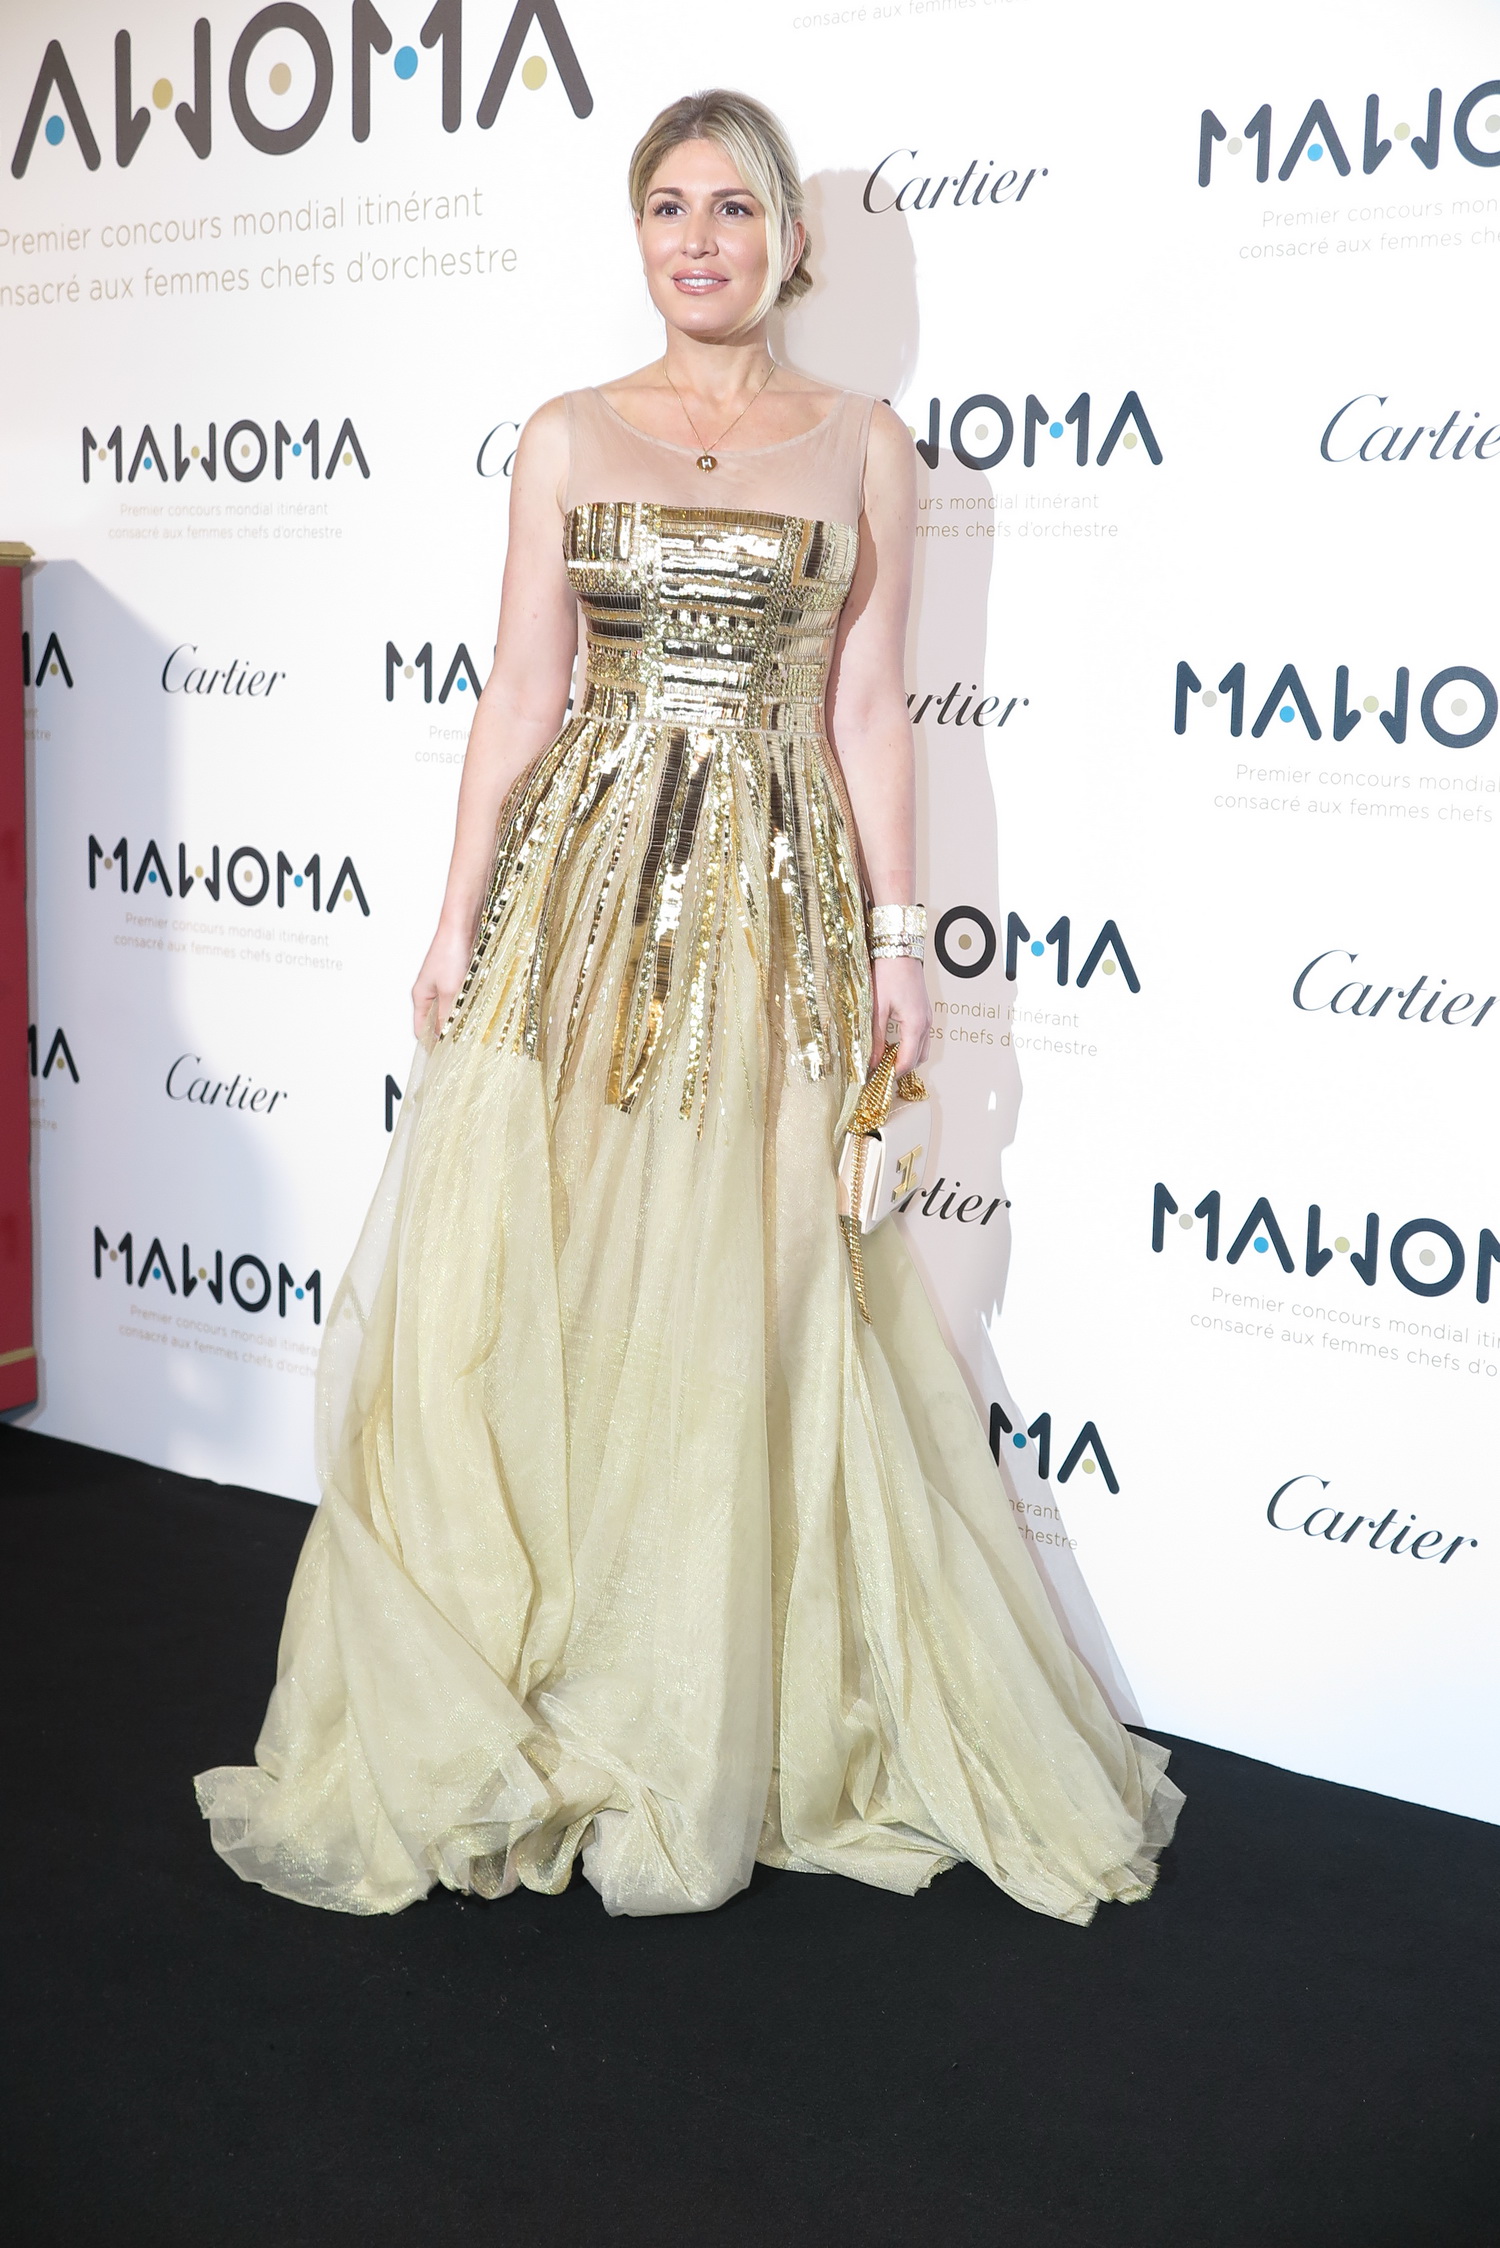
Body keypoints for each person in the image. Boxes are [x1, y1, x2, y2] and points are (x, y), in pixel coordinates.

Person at [196, 90, 1181, 1922]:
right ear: (635, 232)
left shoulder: (866, 443)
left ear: (790, 241)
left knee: (751, 1276)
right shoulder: (567, 433)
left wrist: (900, 943)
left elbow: (870, 708)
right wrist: (454, 917)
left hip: (777, 905)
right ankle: (562, 1662)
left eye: (735, 206)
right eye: (668, 205)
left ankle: (715, 1682)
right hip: (582, 896)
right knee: (561, 1268)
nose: (701, 238)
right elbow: (519, 690)